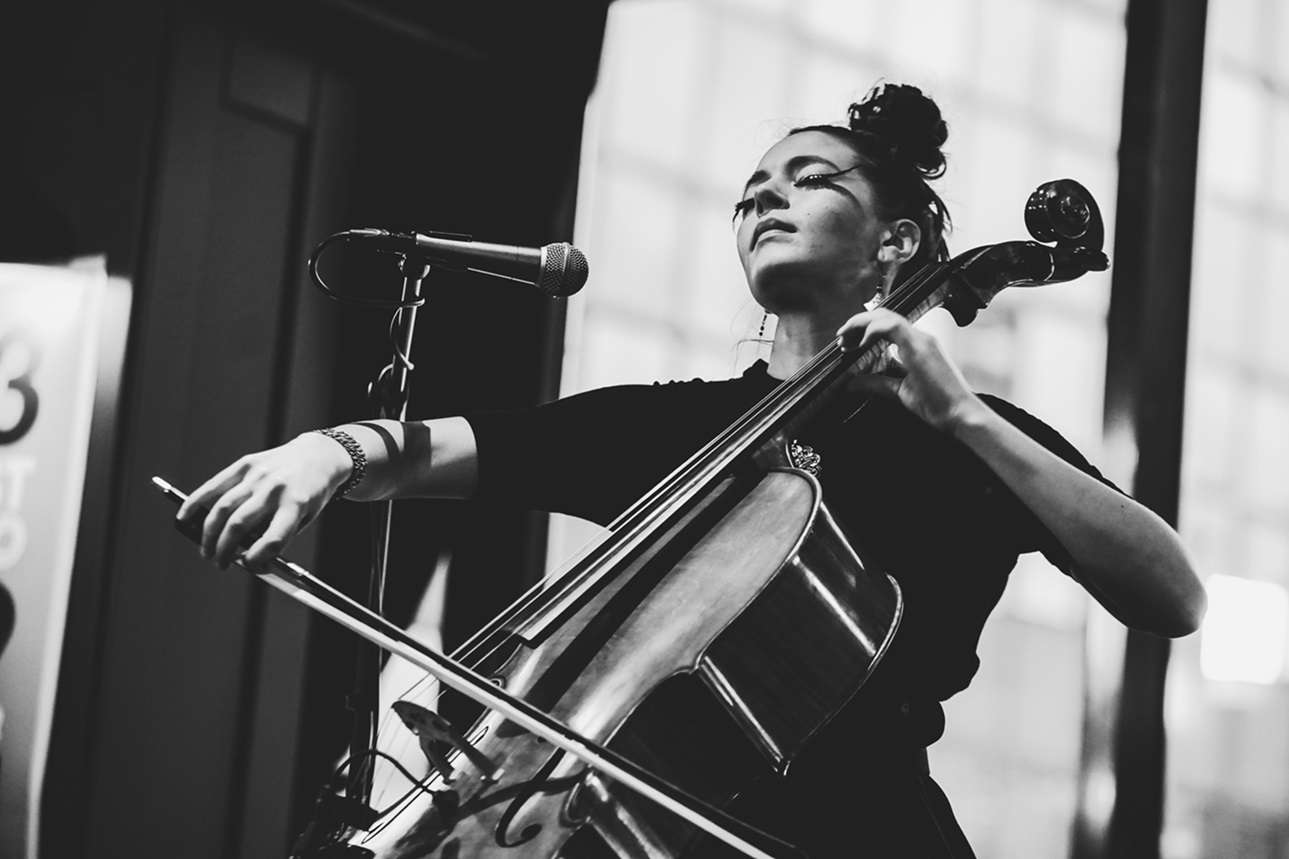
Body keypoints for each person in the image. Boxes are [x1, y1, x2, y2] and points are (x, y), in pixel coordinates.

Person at [177, 83, 1205, 857]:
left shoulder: (967, 440)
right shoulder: (676, 430)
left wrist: (964, 417)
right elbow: (450, 448)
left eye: (810, 180)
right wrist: (326, 450)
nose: (766, 198)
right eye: (752, 189)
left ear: (895, 241)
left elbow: (1169, 590)